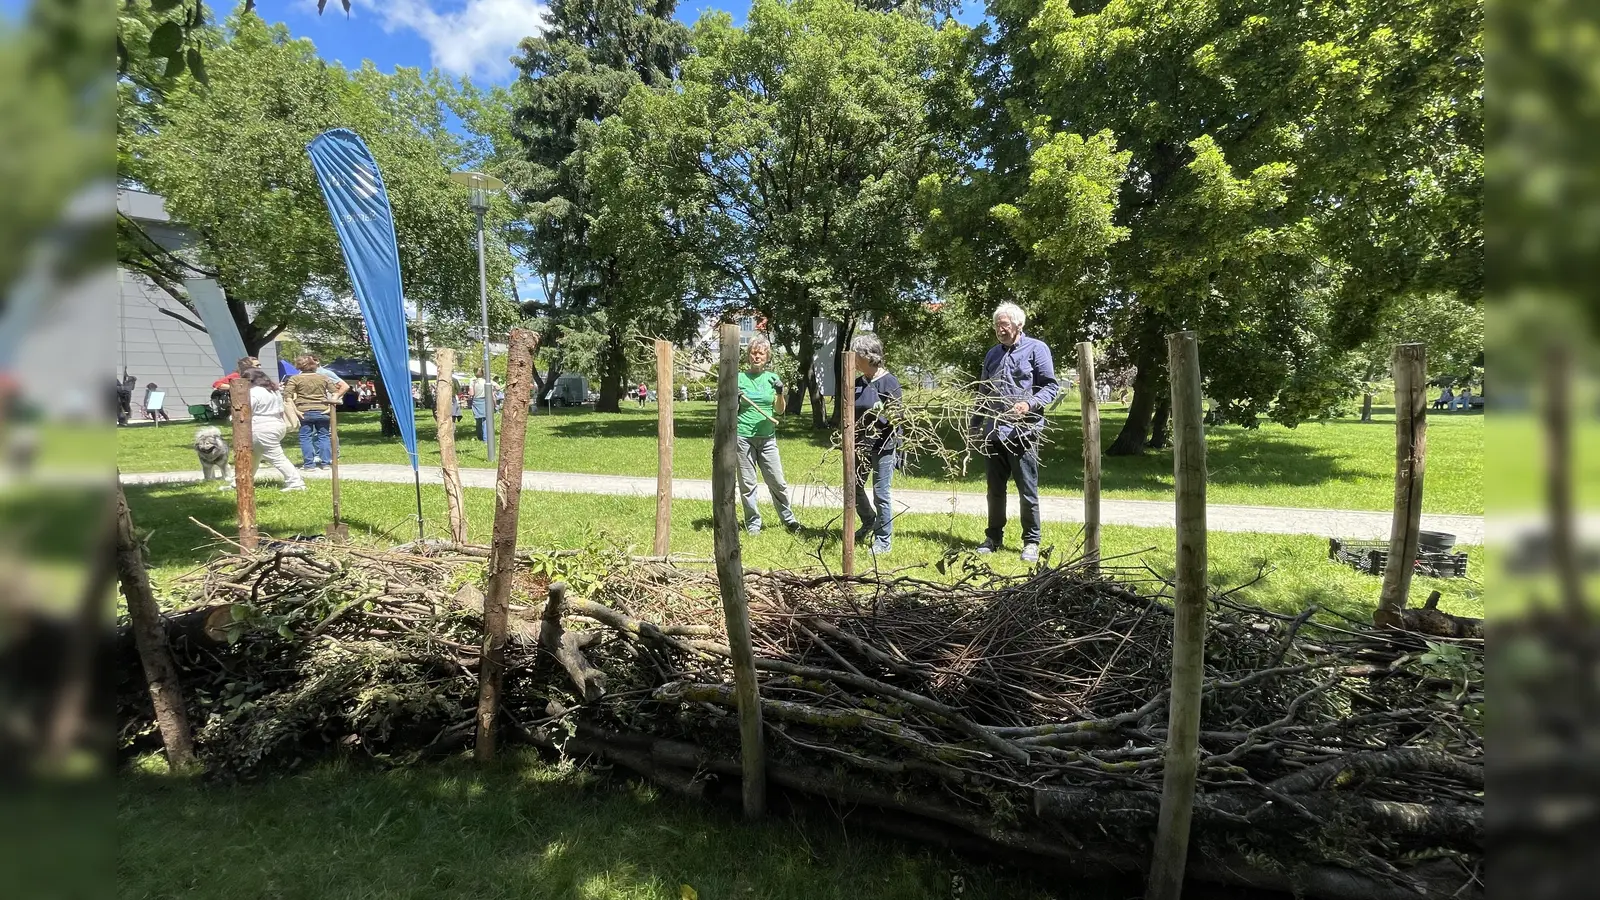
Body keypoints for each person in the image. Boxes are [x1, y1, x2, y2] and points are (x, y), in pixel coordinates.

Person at [970, 302, 1059, 562]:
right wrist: (975, 424)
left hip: (1023, 432)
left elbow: (1050, 387)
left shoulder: (1036, 349)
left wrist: (1028, 404)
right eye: (997, 325)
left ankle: (1031, 541)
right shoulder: (992, 355)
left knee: (1027, 489)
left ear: (1019, 325)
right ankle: (993, 537)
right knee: (994, 490)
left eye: (1005, 325)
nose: (1000, 330)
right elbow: (983, 392)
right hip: (994, 432)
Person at [737, 336, 801, 535]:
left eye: (761, 353)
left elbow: (780, 411)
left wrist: (781, 393)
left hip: (767, 439)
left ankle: (789, 519)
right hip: (743, 437)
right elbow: (729, 409)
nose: (757, 357)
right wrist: (734, 397)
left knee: (777, 481)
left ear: (767, 357)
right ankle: (753, 523)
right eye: (753, 353)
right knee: (748, 483)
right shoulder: (738, 377)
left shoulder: (772, 378)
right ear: (748, 356)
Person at [850, 334, 901, 556]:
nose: (853, 360)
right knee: (854, 487)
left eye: (856, 356)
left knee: (881, 493)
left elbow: (898, 417)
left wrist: (882, 417)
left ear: (867, 356)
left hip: (883, 445)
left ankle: (883, 540)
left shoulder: (889, 382)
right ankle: (868, 520)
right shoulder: (857, 383)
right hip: (860, 445)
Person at [235, 368, 306, 492]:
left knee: (277, 458)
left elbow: (246, 410)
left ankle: (296, 483)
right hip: (277, 425)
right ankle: (241, 481)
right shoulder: (273, 390)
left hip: (261, 427)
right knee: (254, 456)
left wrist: (234, 417)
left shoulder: (253, 392)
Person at [283, 356, 336, 470]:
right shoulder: (323, 377)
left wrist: (296, 410)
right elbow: (335, 392)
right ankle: (326, 463)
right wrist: (331, 406)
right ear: (313, 365)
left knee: (305, 437)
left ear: (298, 366)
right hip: (322, 410)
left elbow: (287, 396)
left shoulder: (295, 379)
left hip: (304, 411)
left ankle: (309, 464)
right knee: (324, 436)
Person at [470, 369, 495, 442]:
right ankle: (486, 439)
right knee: (485, 420)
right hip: (485, 400)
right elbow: (498, 387)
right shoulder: (486, 381)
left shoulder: (473, 381)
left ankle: (479, 436)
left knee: (478, 419)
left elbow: (471, 393)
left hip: (476, 401)